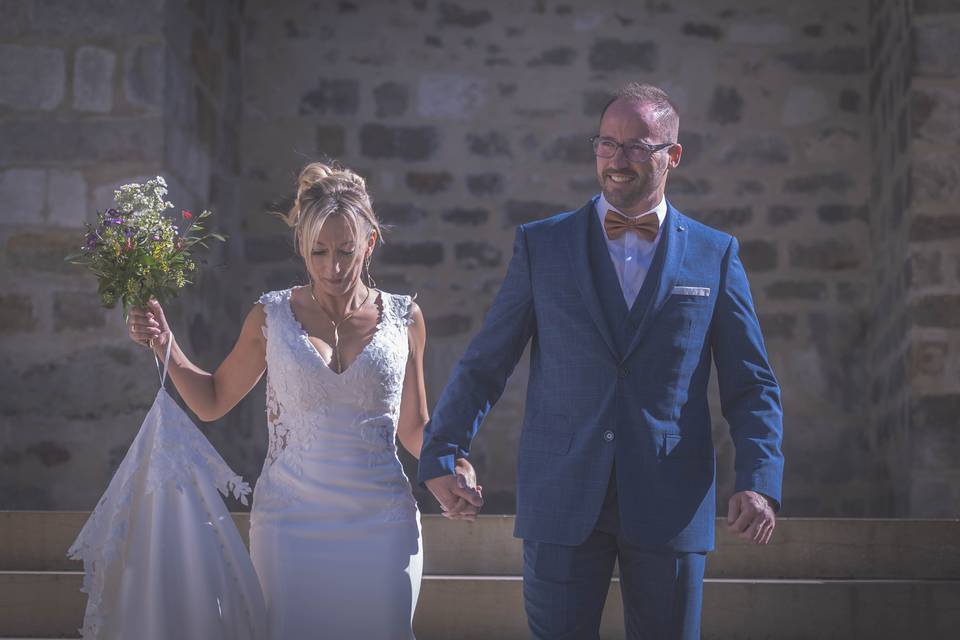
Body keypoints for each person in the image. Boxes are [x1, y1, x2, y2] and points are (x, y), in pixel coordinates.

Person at [418, 83, 784, 639]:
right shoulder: (542, 246)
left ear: (672, 156)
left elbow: (751, 383)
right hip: (561, 492)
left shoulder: (715, 253)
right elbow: (486, 361)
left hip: (671, 498)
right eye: (606, 144)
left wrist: (759, 479)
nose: (617, 160)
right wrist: (443, 451)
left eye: (637, 146)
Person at [127, 161, 479, 639]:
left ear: (370, 243)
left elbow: (416, 428)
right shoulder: (270, 316)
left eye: (346, 251)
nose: (333, 267)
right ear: (300, 246)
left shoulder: (405, 318)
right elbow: (212, 400)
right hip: (289, 528)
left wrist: (456, 466)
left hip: (382, 525)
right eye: (318, 251)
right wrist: (164, 343)